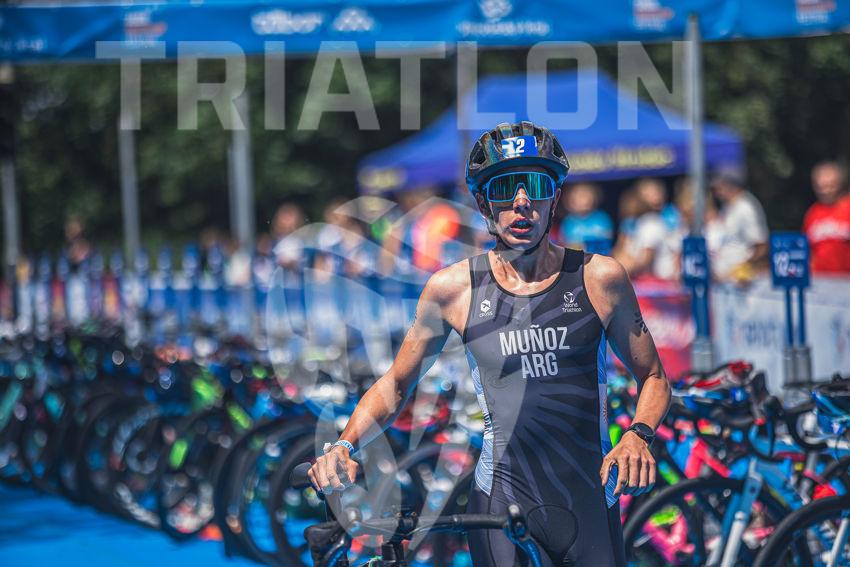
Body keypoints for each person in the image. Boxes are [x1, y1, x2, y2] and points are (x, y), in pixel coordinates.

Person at [307, 122, 671, 566]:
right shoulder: (453, 289)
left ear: (555, 198)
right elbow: (396, 384)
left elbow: (654, 377)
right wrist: (343, 446)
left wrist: (638, 434)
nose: (521, 202)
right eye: (503, 189)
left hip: (587, 503)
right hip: (501, 503)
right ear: (483, 204)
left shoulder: (600, 277)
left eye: (536, 185)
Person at [708, 167, 769, 283]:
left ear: (731, 185)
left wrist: (743, 267)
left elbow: (761, 245)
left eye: (719, 187)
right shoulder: (728, 206)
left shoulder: (746, 207)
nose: (716, 192)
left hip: (741, 283)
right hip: (725, 281)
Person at [614, 178, 677, 280]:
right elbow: (620, 252)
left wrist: (617, 270)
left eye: (657, 192)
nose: (656, 197)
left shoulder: (652, 223)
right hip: (643, 280)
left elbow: (645, 261)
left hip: (657, 282)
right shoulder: (637, 223)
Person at [802, 161, 850, 273]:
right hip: (820, 279)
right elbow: (806, 250)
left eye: (830, 186)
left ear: (840, 184)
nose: (825, 191)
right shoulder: (813, 213)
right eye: (820, 187)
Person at [557, 182, 613, 248]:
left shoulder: (602, 218)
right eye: (579, 196)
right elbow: (563, 243)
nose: (582, 200)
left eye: (585, 196)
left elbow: (607, 240)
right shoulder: (568, 221)